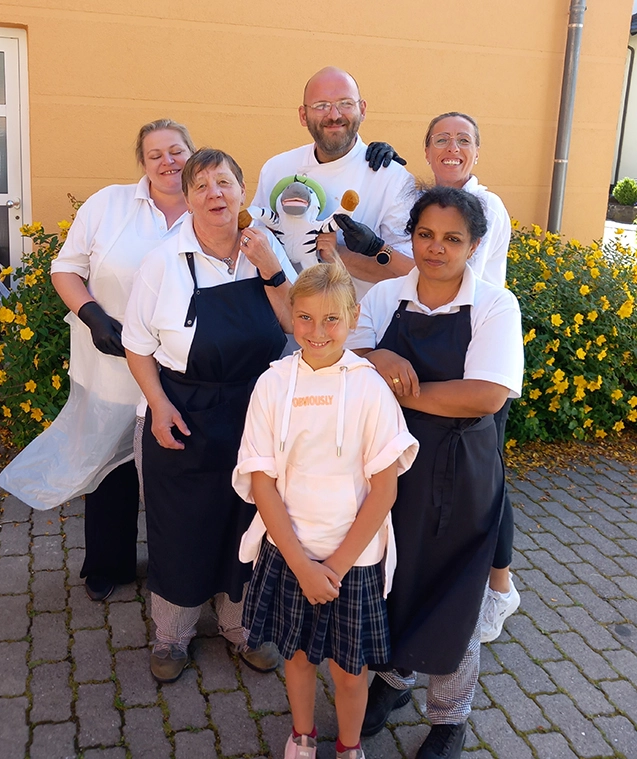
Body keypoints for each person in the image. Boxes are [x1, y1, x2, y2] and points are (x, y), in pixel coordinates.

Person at [346, 187, 523, 759]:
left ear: (474, 245)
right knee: (394, 580)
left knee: (455, 593)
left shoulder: (495, 304)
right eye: (425, 235)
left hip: (460, 474)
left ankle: (450, 718)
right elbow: (346, 360)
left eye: (452, 239)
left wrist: (399, 391)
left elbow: (487, 394)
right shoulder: (384, 295)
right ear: (411, 237)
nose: (436, 249)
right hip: (389, 470)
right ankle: (395, 680)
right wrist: (378, 359)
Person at [0, 119, 195, 602]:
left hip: (186, 369)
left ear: (194, 153)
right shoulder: (109, 204)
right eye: (155, 155)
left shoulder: (213, 205)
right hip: (113, 361)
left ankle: (186, 570)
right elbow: (65, 267)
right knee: (111, 468)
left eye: (177, 151)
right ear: (142, 164)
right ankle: (109, 564)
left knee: (183, 471)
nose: (168, 162)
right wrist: (91, 315)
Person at [122, 148, 297, 684]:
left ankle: (240, 627)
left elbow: (296, 321)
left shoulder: (266, 252)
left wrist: (270, 266)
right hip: (186, 412)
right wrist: (158, 405)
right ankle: (172, 636)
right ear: (188, 196)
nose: (214, 195)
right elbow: (136, 345)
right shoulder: (162, 261)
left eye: (224, 183)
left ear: (242, 192)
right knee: (182, 526)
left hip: (255, 411)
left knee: (248, 520)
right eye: (202, 186)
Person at [233, 259, 418, 759]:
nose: (318, 331)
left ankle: (349, 745)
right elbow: (262, 482)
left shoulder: (370, 389)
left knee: (350, 669)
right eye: (306, 318)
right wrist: (300, 562)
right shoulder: (271, 385)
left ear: (353, 317)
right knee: (295, 657)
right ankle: (302, 735)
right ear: (291, 317)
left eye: (332, 319)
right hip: (289, 552)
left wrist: (331, 569)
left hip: (351, 562)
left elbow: (385, 490)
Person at [422, 112, 518, 641]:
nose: (451, 148)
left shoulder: (485, 206)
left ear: (477, 153)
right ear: (428, 150)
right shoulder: (425, 197)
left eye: (463, 141)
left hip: (476, 356)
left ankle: (499, 590)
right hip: (436, 353)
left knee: (486, 484)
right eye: (441, 140)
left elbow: (449, 276)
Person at [251, 66, 417, 300]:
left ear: (362, 109)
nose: (334, 115)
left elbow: (410, 274)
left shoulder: (392, 179)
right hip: (290, 324)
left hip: (365, 327)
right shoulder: (277, 169)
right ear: (303, 115)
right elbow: (258, 249)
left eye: (345, 103)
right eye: (321, 106)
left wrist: (341, 254)